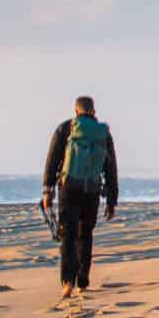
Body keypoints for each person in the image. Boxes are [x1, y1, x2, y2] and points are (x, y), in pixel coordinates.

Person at [41, 95, 120, 299]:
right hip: (92, 189)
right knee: (85, 233)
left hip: (69, 188)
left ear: (76, 111)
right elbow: (111, 168)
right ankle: (83, 280)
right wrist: (112, 200)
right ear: (93, 111)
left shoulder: (66, 128)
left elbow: (52, 159)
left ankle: (67, 280)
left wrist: (47, 190)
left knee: (68, 233)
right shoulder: (103, 133)